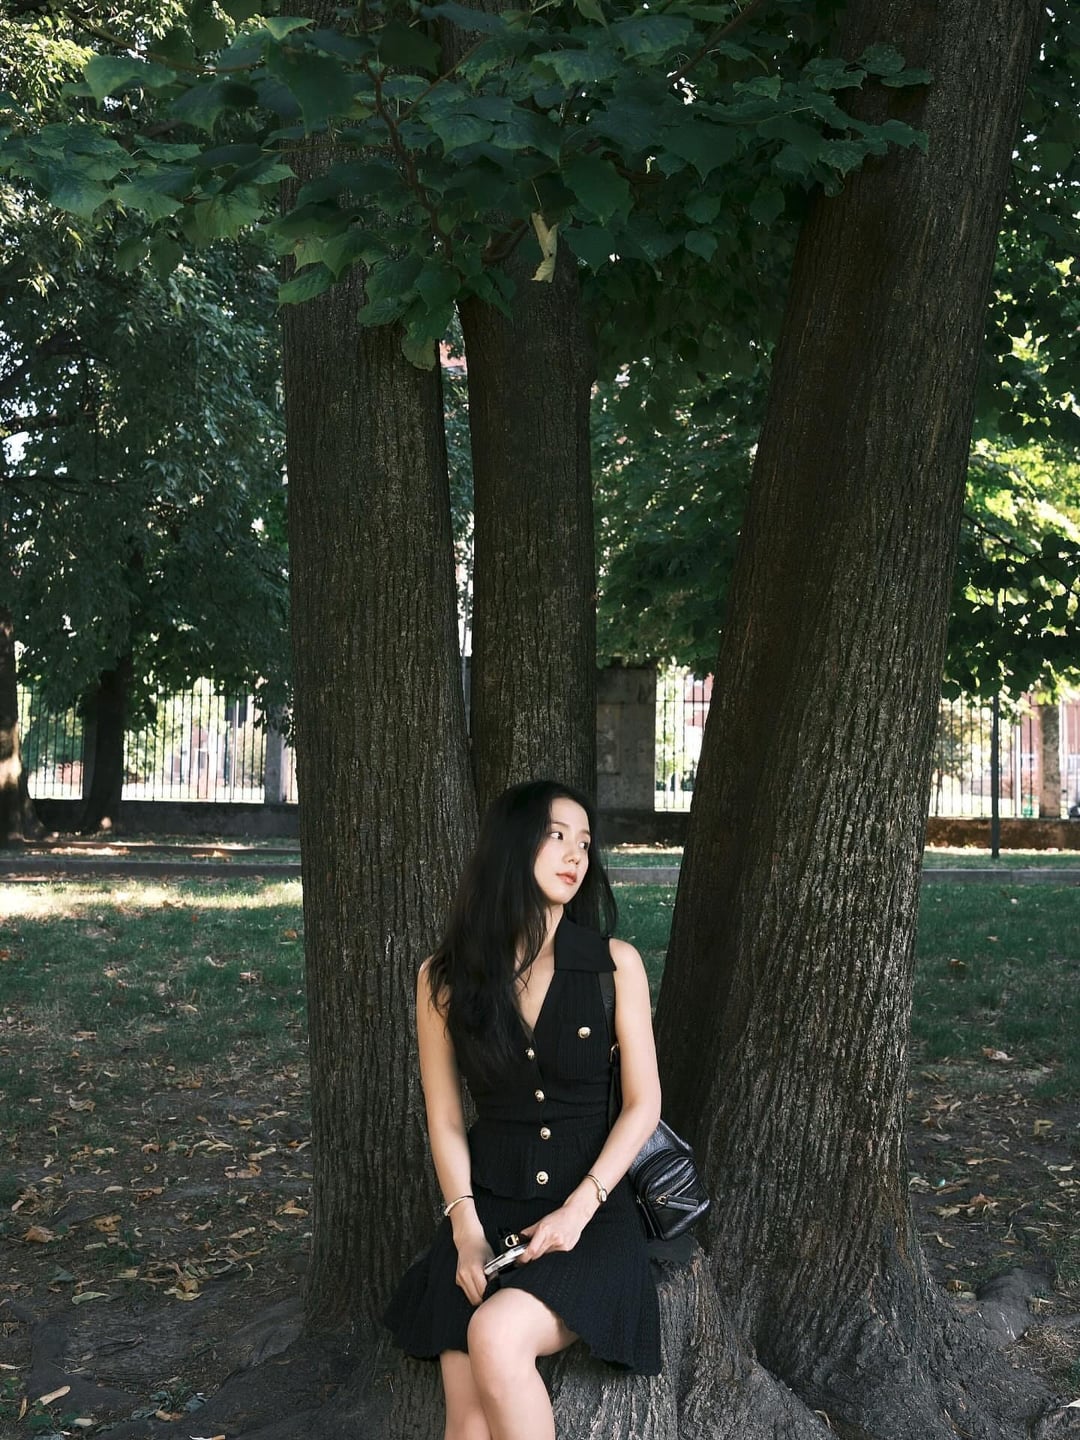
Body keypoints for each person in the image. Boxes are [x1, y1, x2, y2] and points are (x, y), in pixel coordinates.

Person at [384, 778, 663, 1440]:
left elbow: (644, 1104)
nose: (575, 855)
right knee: (466, 1421)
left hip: (592, 1218)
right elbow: (445, 1119)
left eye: (584, 842)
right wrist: (465, 1230)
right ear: (513, 845)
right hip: (486, 1212)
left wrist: (580, 1208)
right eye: (556, 835)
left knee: (496, 1334)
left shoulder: (613, 966)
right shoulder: (444, 979)